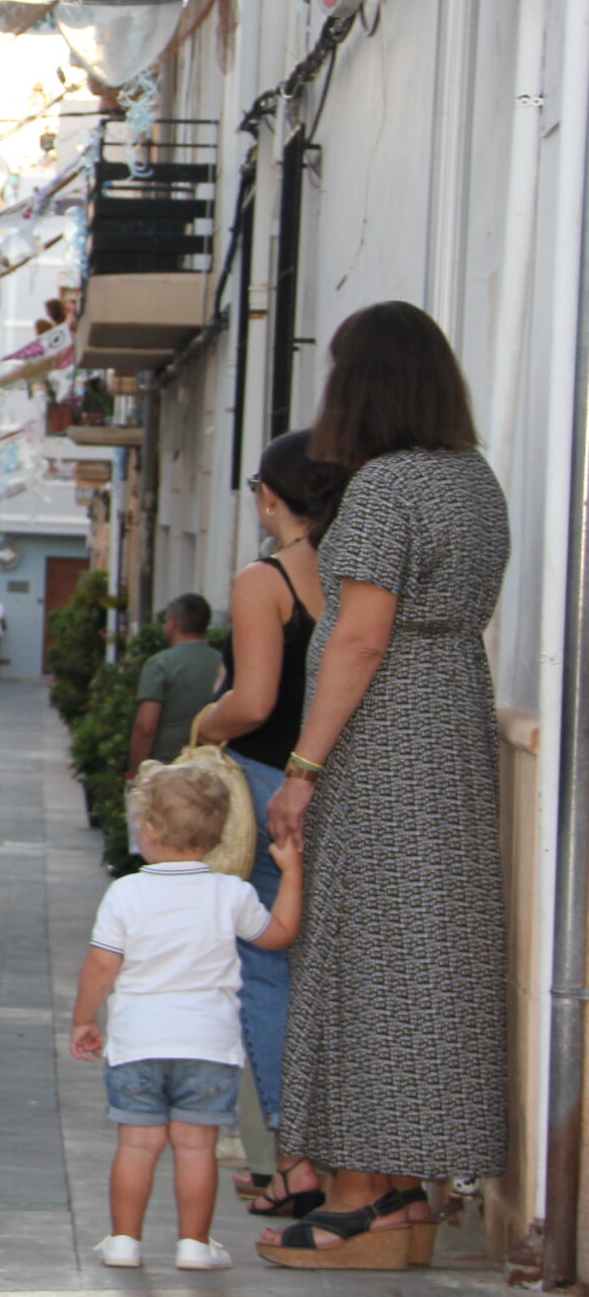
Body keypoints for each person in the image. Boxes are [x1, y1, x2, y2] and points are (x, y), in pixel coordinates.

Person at [259, 301, 505, 1267]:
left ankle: (360, 1195)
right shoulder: (472, 481)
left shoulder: (386, 488)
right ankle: (409, 1195)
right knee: (430, 961)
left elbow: (360, 636)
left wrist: (305, 768)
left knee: (361, 953)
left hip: (384, 737)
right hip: (450, 729)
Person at [191, 429, 346, 1221]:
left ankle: (293, 1155)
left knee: (266, 962)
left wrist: (202, 721)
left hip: (265, 781)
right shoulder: (360, 571)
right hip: (345, 783)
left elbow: (253, 702)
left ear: (270, 494)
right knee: (333, 968)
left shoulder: (267, 579)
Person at [75, 762, 304, 1273]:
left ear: (149, 830)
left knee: (137, 1145)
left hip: (138, 1043)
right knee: (196, 1148)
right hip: (207, 1046)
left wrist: (84, 1019)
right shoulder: (231, 894)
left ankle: (123, 1241)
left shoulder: (126, 893)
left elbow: (102, 964)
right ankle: (195, 1245)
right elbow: (281, 933)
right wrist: (290, 871)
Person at [129, 595, 221, 772]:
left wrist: (135, 773)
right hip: (210, 768)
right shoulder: (222, 663)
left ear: (172, 623)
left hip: (167, 769)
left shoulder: (160, 664)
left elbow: (146, 726)